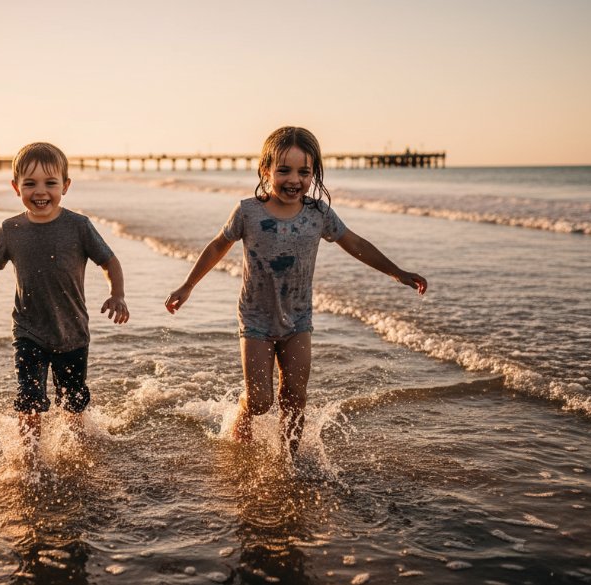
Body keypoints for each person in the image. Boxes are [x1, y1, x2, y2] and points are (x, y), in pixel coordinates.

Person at [164, 127, 427, 455]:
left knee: (295, 396)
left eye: (304, 172)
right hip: (256, 318)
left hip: (298, 319)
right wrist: (188, 285)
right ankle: (240, 425)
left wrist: (396, 272)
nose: (294, 179)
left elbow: (355, 243)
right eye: (284, 170)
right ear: (266, 170)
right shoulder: (248, 211)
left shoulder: (319, 214)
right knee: (261, 401)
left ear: (314, 173)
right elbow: (219, 245)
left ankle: (289, 458)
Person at [0, 142, 129, 459]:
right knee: (29, 398)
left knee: (72, 404)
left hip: (72, 332)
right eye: (30, 183)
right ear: (15, 187)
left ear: (66, 185)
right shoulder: (11, 230)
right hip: (28, 331)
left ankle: (82, 455)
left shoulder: (79, 226)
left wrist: (117, 294)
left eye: (50, 183)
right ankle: (29, 462)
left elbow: (110, 261)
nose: (41, 191)